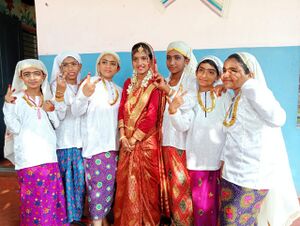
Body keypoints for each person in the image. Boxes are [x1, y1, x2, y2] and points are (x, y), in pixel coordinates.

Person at [220, 52, 300, 225]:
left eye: (234, 70)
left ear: (250, 74)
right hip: (231, 175)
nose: (226, 74)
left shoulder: (253, 91)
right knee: (237, 221)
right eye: (224, 70)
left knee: (234, 222)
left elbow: (279, 118)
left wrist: (250, 85)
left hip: (249, 177)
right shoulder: (237, 97)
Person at [167, 56, 231, 225]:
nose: (204, 76)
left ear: (217, 76)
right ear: (195, 73)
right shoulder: (191, 98)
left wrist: (225, 156)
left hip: (218, 161)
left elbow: (230, 129)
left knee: (217, 205)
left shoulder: (224, 96)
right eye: (201, 71)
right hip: (196, 161)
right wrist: (174, 111)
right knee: (199, 206)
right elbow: (183, 125)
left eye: (210, 72)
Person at [3, 59, 67, 225]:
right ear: (21, 77)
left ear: (43, 76)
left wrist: (50, 109)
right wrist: (8, 105)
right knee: (32, 202)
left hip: (48, 158)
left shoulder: (48, 98)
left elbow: (56, 124)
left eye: (36, 73)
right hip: (28, 160)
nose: (32, 78)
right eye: (27, 74)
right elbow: (14, 128)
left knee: (51, 201)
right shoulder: (15, 99)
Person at [113, 42, 165, 226]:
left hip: (146, 144)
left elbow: (151, 114)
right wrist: (122, 136)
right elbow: (121, 109)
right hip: (126, 142)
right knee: (125, 184)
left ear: (151, 60)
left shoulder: (156, 83)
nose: (140, 62)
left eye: (144, 58)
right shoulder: (129, 83)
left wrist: (134, 139)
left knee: (147, 188)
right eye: (136, 59)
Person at [72, 51, 122, 226]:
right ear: (98, 65)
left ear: (118, 68)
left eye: (112, 63)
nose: (108, 66)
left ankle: (100, 221)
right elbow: (76, 111)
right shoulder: (90, 83)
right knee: (97, 191)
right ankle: (96, 223)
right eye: (104, 62)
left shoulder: (119, 90)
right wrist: (84, 94)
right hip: (94, 149)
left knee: (107, 191)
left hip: (113, 148)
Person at [154, 41, 196, 225]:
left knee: (182, 187)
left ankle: (184, 222)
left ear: (186, 60)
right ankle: (173, 220)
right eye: (169, 58)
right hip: (164, 142)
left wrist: (168, 91)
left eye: (177, 58)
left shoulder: (191, 81)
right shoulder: (165, 80)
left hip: (181, 142)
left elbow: (188, 103)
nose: (172, 62)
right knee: (168, 187)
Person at [50, 52, 85, 224]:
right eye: (66, 64)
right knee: (64, 183)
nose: (71, 68)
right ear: (60, 67)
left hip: (81, 144)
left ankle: (76, 217)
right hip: (63, 144)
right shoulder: (54, 87)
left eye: (74, 64)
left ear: (80, 66)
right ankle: (65, 218)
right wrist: (60, 92)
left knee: (79, 182)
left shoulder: (84, 87)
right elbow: (59, 116)